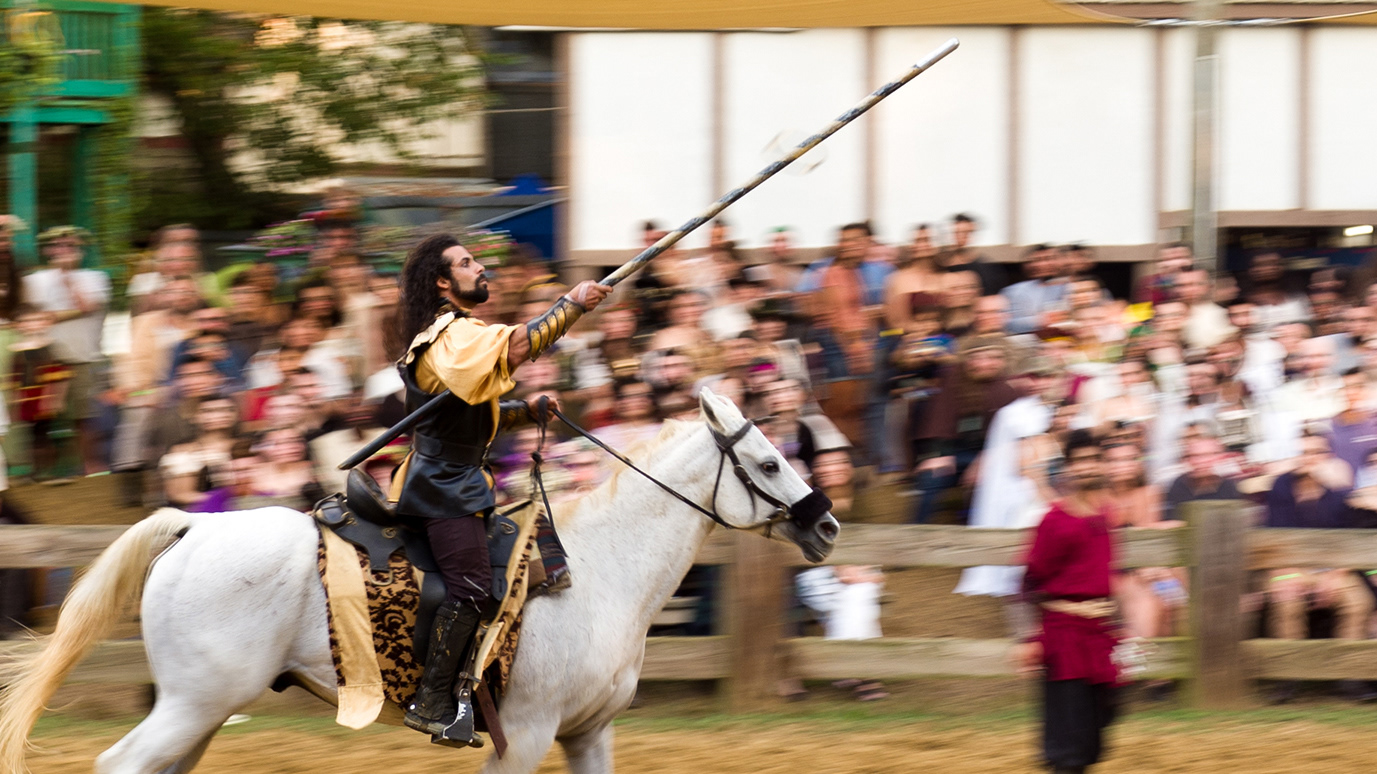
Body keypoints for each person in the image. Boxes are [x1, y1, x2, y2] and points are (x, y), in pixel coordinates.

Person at [393, 233, 610, 746]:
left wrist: (521, 413)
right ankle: (433, 702)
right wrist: (571, 305)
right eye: (467, 263)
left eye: (477, 260)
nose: (480, 267)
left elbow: (463, 415)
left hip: (458, 479)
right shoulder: (452, 332)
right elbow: (517, 344)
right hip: (443, 488)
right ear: (443, 282)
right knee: (470, 588)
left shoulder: (454, 337)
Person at [1015, 429, 1120, 774]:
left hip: (1100, 635)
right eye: (1080, 461)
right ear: (1069, 469)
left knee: (1102, 722)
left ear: (1103, 465)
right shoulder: (1055, 521)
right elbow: (1030, 581)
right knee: (1069, 743)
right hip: (1064, 637)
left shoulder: (1106, 516)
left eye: (1093, 459)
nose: (1088, 467)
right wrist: (1029, 638)